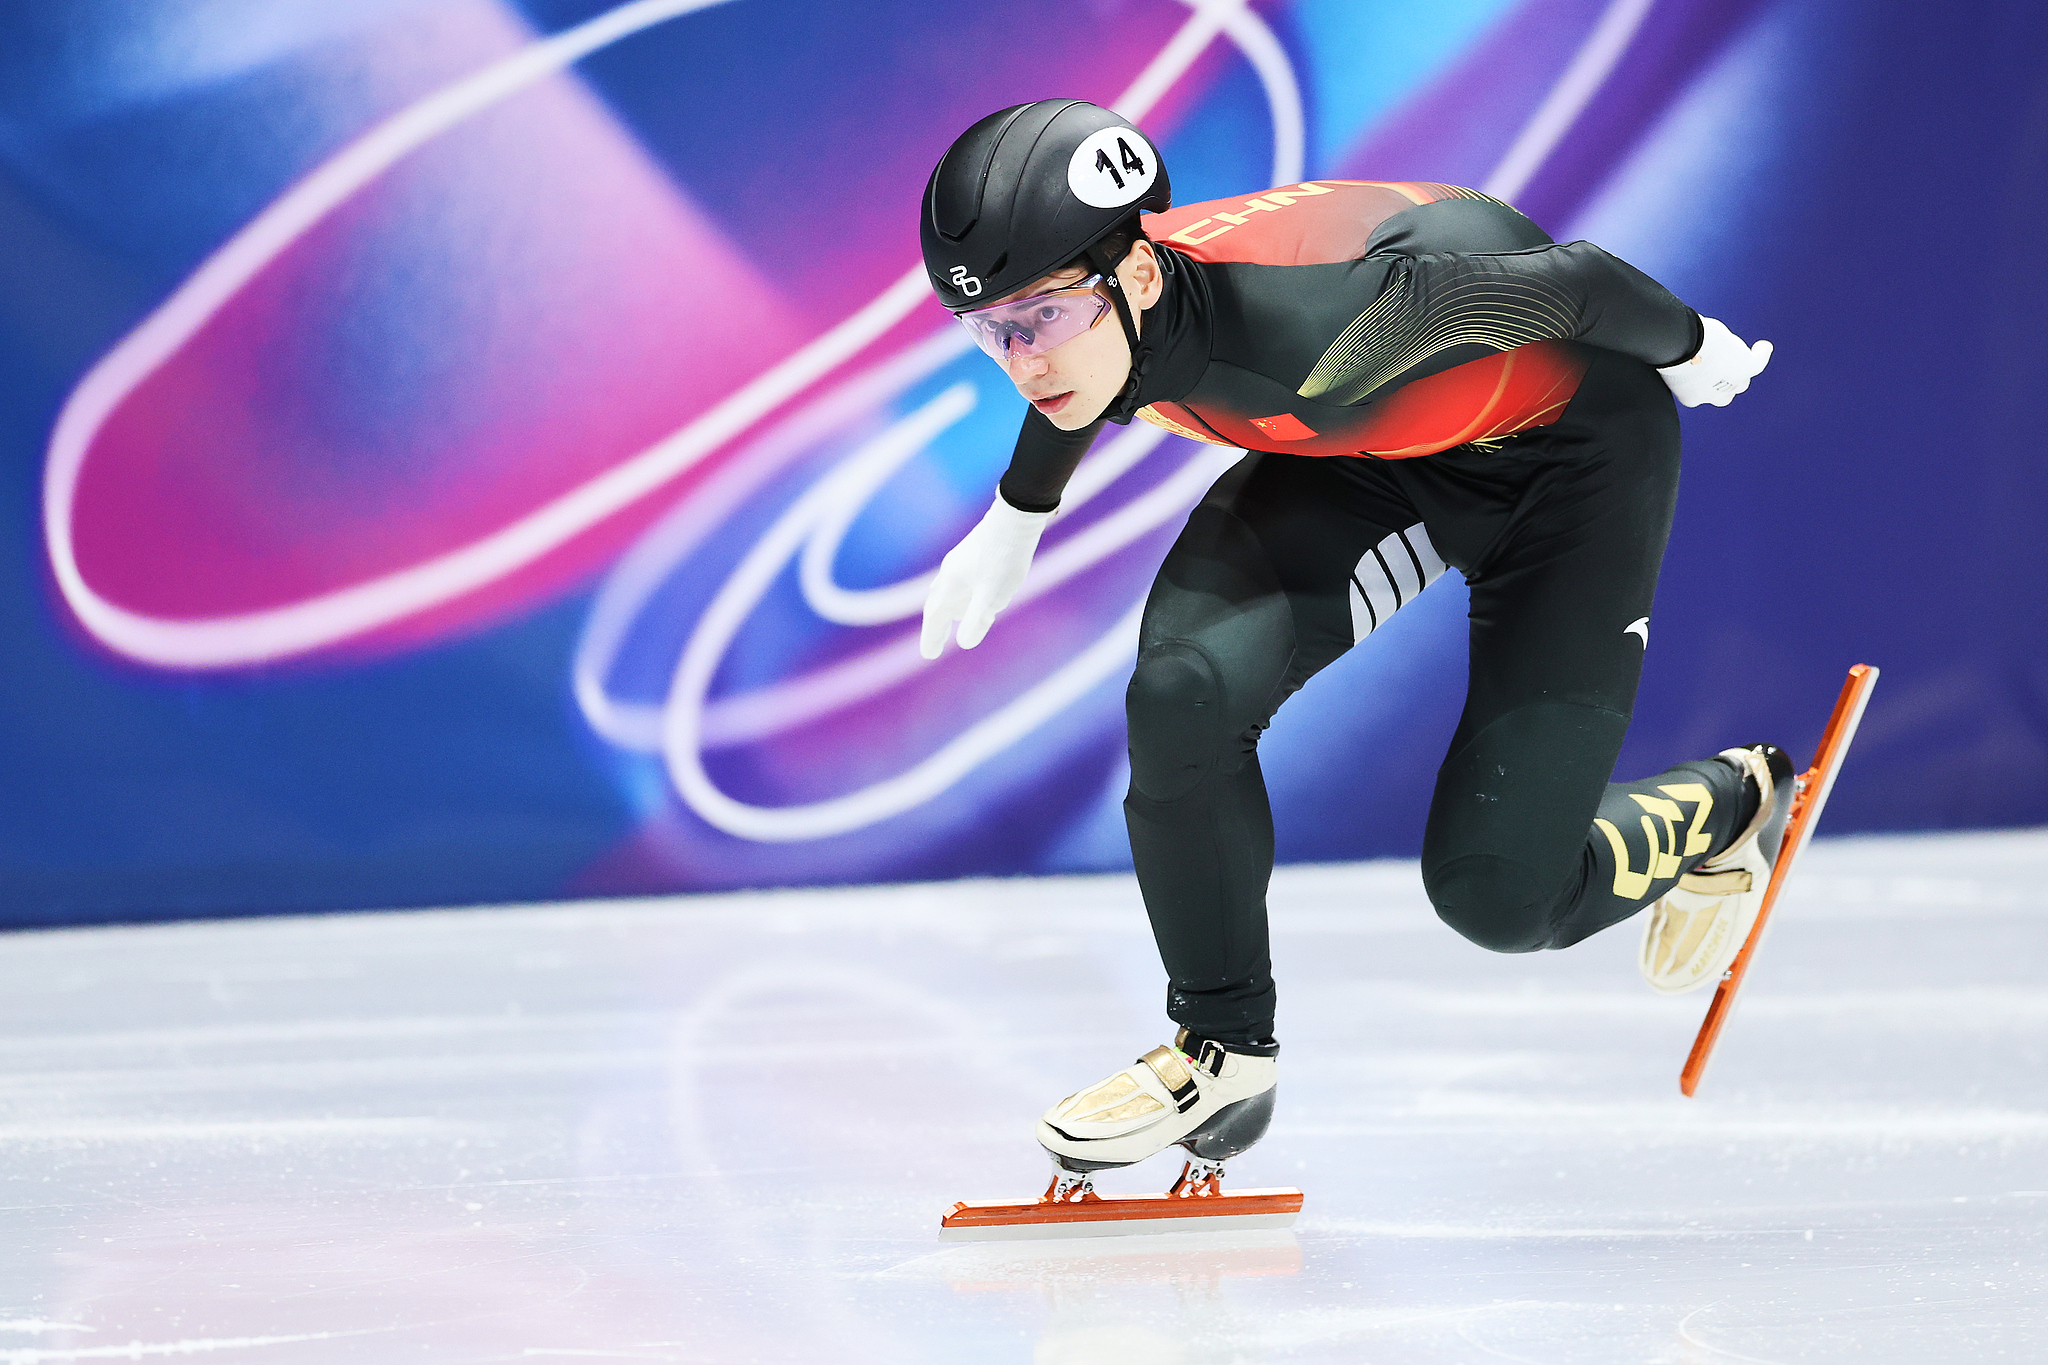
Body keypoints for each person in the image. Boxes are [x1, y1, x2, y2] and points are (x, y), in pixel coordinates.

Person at [917, 100, 1783, 1190]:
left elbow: (1567, 279)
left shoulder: (1334, 320)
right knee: (1182, 692)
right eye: (986, 330)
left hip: (1569, 472)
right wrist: (1017, 513)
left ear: (1138, 275)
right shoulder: (1114, 308)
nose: (1019, 362)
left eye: (1033, 321)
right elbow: (1070, 365)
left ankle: (1734, 800)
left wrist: (1690, 344)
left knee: (1502, 897)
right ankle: (1220, 1049)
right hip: (1375, 454)